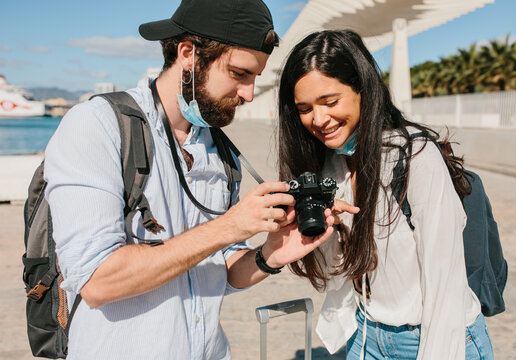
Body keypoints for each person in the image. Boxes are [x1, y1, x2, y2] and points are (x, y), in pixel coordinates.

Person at [44, 1, 334, 358]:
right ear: (188, 54)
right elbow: (97, 281)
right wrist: (230, 226)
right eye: (240, 74)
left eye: (255, 77)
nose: (249, 93)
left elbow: (219, 271)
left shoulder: (221, 152)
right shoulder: (98, 127)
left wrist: (269, 255)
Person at [276, 30, 494, 359]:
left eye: (331, 102)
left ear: (363, 90)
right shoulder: (330, 165)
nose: (319, 119)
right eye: (305, 109)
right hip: (366, 331)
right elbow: (332, 275)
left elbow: (444, 278)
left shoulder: (413, 155)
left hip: (434, 335)